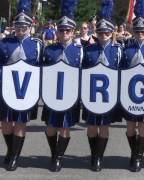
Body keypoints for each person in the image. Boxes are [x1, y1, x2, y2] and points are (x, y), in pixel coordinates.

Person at [0, 0, 43, 171]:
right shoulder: (4, 43)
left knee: (19, 123)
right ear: (14, 25)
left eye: (24, 25)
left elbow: (41, 69)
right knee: (5, 123)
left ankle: (15, 156)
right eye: (18, 25)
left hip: (26, 92)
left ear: (30, 26)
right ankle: (11, 150)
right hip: (5, 90)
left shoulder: (37, 45)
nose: (20, 28)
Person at [119, 0, 144, 172]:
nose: (140, 33)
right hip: (129, 95)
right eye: (137, 30)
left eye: (143, 30)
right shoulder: (126, 49)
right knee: (130, 128)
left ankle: (138, 158)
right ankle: (133, 152)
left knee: (142, 126)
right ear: (133, 31)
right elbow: (121, 73)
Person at [41, 0, 82, 172]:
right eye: (61, 30)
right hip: (51, 95)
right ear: (57, 32)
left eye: (67, 30)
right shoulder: (49, 50)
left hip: (70, 96)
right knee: (50, 128)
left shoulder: (80, 50)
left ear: (73, 32)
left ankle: (58, 158)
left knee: (65, 128)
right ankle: (53, 152)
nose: (64, 32)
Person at [82, 0, 122, 172]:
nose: (103, 34)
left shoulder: (118, 50)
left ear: (111, 32)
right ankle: (93, 154)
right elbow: (82, 72)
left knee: (104, 127)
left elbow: (121, 75)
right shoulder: (88, 49)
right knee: (91, 127)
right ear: (96, 32)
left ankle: (99, 157)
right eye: (100, 31)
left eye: (106, 32)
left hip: (109, 96)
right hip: (91, 94)